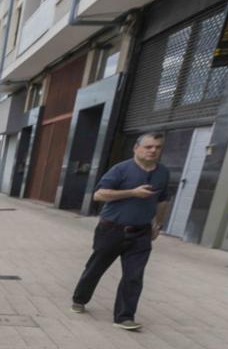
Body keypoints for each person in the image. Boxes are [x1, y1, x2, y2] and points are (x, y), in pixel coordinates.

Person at [70, 132, 172, 331]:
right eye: (148, 147)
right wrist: (132, 192)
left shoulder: (163, 173)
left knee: (134, 276)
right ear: (136, 148)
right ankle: (79, 298)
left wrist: (157, 224)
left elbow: (162, 201)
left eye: (158, 147)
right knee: (96, 267)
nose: (153, 151)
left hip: (141, 232)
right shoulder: (121, 170)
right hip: (112, 230)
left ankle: (124, 317)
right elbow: (99, 195)